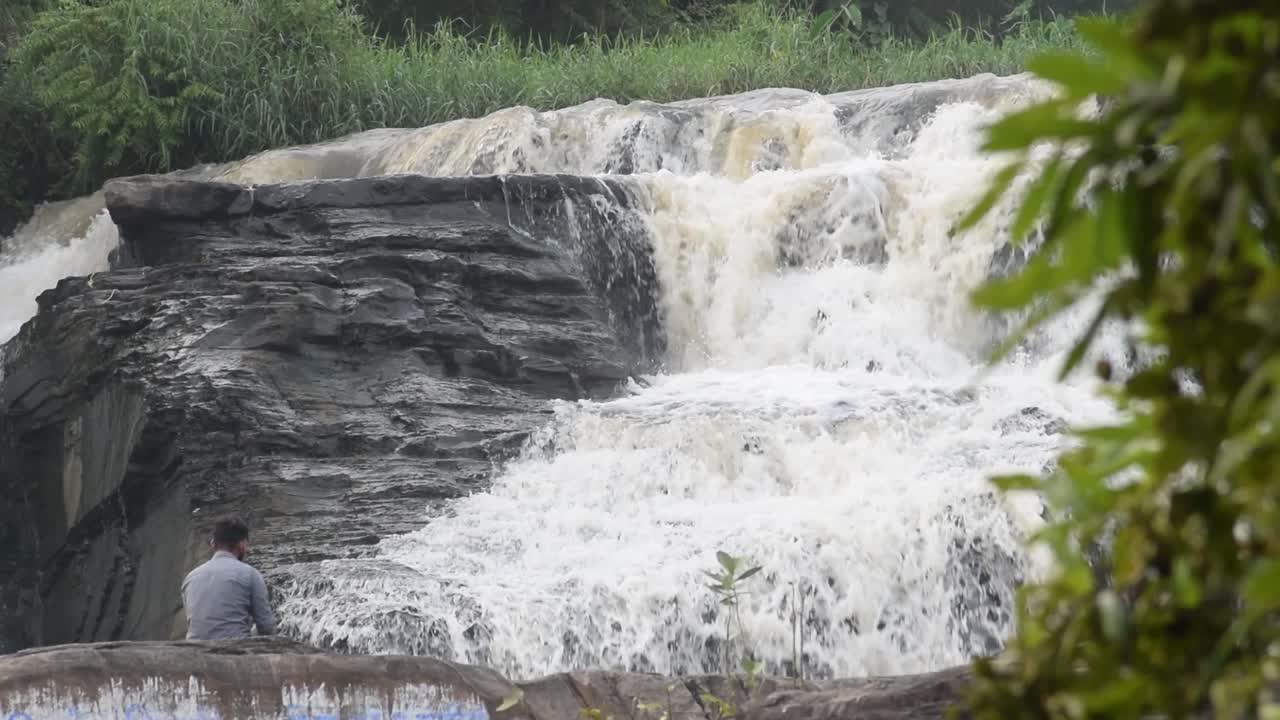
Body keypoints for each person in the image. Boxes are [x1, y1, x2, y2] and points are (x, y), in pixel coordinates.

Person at [180, 516, 276, 640]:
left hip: (194, 649)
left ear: (213, 543)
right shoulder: (250, 574)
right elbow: (267, 628)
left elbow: (194, 623)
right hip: (235, 649)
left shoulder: (190, 578)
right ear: (242, 544)